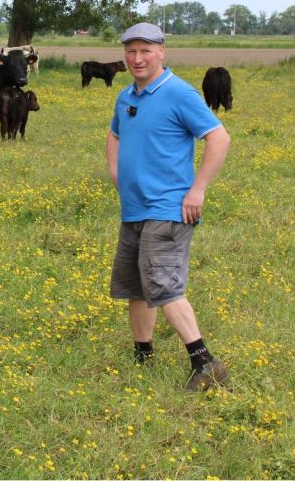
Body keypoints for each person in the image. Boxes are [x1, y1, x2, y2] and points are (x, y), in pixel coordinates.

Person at [105, 22, 232, 391]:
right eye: (131, 51)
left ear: (162, 51)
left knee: (163, 285)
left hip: (169, 208)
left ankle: (205, 363)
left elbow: (219, 137)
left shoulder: (180, 93)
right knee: (136, 286)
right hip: (134, 207)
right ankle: (142, 356)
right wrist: (116, 173)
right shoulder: (126, 96)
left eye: (145, 50)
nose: (137, 58)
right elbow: (114, 134)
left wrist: (198, 190)